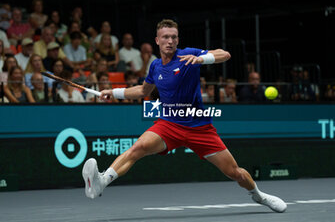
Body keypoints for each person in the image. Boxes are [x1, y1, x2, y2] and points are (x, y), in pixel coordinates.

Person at [82, 19, 287, 213]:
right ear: (157, 40)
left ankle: (259, 195)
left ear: (178, 40)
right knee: (139, 147)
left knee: (235, 173)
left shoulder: (188, 55)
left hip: (199, 127)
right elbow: (143, 91)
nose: (169, 41)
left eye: (173, 37)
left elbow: (224, 54)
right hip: (169, 124)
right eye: (165, 37)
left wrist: (201, 58)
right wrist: (114, 92)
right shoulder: (155, 66)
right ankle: (102, 182)